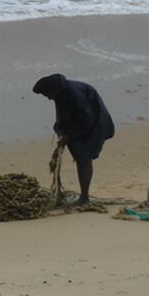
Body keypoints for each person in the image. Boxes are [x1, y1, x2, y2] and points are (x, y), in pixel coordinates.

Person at [32, 73, 115, 205]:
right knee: (78, 152)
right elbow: (62, 113)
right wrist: (59, 128)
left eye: (47, 94)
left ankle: (84, 198)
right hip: (79, 122)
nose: (48, 98)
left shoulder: (77, 96)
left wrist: (69, 137)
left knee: (83, 156)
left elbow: (87, 122)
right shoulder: (60, 93)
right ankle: (83, 196)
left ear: (55, 91)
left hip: (96, 122)